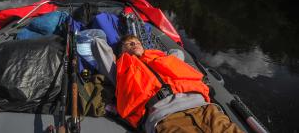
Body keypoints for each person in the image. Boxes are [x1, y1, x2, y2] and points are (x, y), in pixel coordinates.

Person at [92, 34, 243, 133]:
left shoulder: (160, 58)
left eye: (137, 42)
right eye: (129, 44)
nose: (135, 44)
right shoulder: (119, 69)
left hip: (204, 108)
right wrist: (117, 54)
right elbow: (97, 45)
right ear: (121, 52)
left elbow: (177, 54)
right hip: (166, 117)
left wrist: (157, 57)